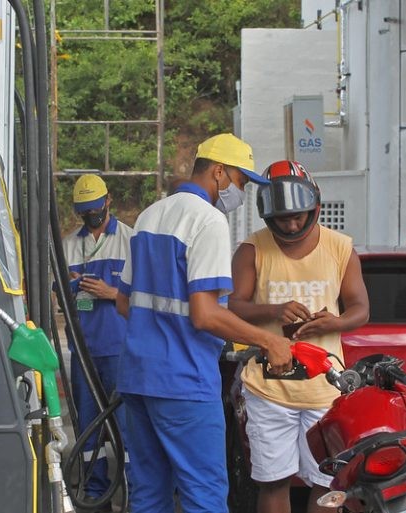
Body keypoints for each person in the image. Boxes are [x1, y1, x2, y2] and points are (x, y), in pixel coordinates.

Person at [115, 133, 293, 513]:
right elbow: (206, 314)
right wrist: (269, 341)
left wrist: (160, 333)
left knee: (148, 493)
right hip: (184, 382)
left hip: (138, 377)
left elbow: (122, 301)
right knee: (204, 495)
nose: (240, 192)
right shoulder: (207, 220)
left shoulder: (150, 214)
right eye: (241, 181)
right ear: (218, 173)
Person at [228, 160, 370, 513]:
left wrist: (331, 323)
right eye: (282, 219)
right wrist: (274, 311)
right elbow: (233, 306)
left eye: (298, 216)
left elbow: (360, 309)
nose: (291, 225)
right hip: (268, 390)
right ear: (267, 217)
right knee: (273, 482)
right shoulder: (252, 250)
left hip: (325, 389)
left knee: (328, 484)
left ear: (315, 207)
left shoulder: (340, 248)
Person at [61, 174, 133, 510]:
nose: (91, 216)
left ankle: (136, 493)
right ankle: (95, 493)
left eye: (95, 209)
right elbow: (56, 296)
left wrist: (111, 293)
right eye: (84, 212)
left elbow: (145, 299)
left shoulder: (131, 241)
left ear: (108, 201)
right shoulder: (68, 246)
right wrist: (72, 289)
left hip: (120, 351)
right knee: (88, 429)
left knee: (128, 428)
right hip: (83, 353)